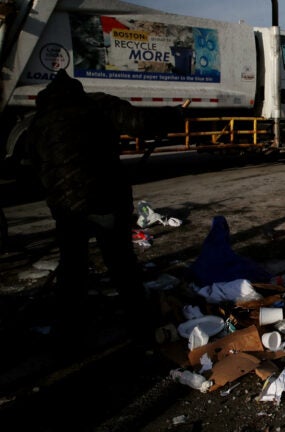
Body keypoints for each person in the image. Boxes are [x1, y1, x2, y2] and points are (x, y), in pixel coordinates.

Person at [26, 70, 183, 339]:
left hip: (66, 207)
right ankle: (139, 322)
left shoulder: (39, 121)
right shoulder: (97, 104)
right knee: (121, 263)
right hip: (105, 199)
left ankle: (68, 328)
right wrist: (174, 114)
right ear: (78, 90)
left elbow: (32, 163)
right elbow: (140, 122)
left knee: (72, 265)